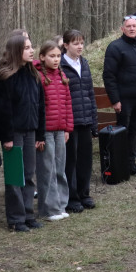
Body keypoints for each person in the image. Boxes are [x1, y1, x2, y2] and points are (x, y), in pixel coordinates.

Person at [0, 34, 47, 229]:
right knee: (15, 177)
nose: (31, 50)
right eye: (26, 48)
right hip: (14, 133)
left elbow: (41, 106)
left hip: (31, 131)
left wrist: (40, 134)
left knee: (28, 174)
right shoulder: (6, 77)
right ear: (17, 51)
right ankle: (16, 219)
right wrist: (7, 137)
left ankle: (28, 214)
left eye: (31, 47)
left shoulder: (34, 75)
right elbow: (3, 109)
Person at [103, 15, 136, 176]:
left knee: (135, 131)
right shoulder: (115, 47)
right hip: (123, 100)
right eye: (128, 26)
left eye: (134, 26)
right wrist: (115, 100)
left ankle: (131, 164)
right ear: (122, 29)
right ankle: (120, 164)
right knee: (123, 132)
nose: (132, 28)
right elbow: (109, 76)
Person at [34, 40, 73, 222]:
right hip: (46, 131)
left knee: (60, 168)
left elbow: (67, 104)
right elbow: (37, 107)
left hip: (60, 130)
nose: (56, 59)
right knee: (47, 170)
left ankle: (60, 204)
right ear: (42, 57)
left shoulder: (62, 76)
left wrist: (67, 128)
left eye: (58, 56)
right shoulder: (39, 77)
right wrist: (38, 133)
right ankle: (48, 209)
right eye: (52, 56)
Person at [61, 30, 97, 212]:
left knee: (85, 160)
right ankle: (71, 197)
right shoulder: (60, 65)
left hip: (85, 120)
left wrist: (94, 120)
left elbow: (90, 93)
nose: (80, 46)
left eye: (82, 43)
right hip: (70, 122)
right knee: (70, 161)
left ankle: (84, 194)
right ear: (66, 45)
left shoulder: (84, 63)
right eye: (75, 43)